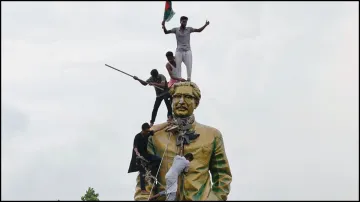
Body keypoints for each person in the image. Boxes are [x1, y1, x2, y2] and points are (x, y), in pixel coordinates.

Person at [133, 82, 232, 201]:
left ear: (196, 103)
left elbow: (222, 177)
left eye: (188, 97)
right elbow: (145, 177)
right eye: (177, 96)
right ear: (171, 100)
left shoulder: (212, 135)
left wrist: (213, 199)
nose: (181, 101)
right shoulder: (154, 135)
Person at [162, 16, 210, 81]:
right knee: (178, 65)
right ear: (180, 21)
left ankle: (189, 79)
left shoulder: (189, 29)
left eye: (186, 22)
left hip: (187, 50)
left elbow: (199, 30)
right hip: (179, 51)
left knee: (189, 65)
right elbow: (166, 32)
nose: (185, 23)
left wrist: (205, 25)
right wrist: (164, 26)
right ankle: (179, 79)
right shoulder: (176, 29)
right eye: (183, 21)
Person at [128, 123, 164, 194]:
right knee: (142, 171)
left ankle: (150, 168)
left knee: (158, 159)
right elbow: (135, 147)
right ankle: (143, 190)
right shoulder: (137, 136)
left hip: (146, 155)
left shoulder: (148, 133)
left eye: (148, 131)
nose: (148, 132)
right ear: (143, 130)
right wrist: (138, 154)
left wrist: (167, 125)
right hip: (139, 157)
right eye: (146, 131)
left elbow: (156, 130)